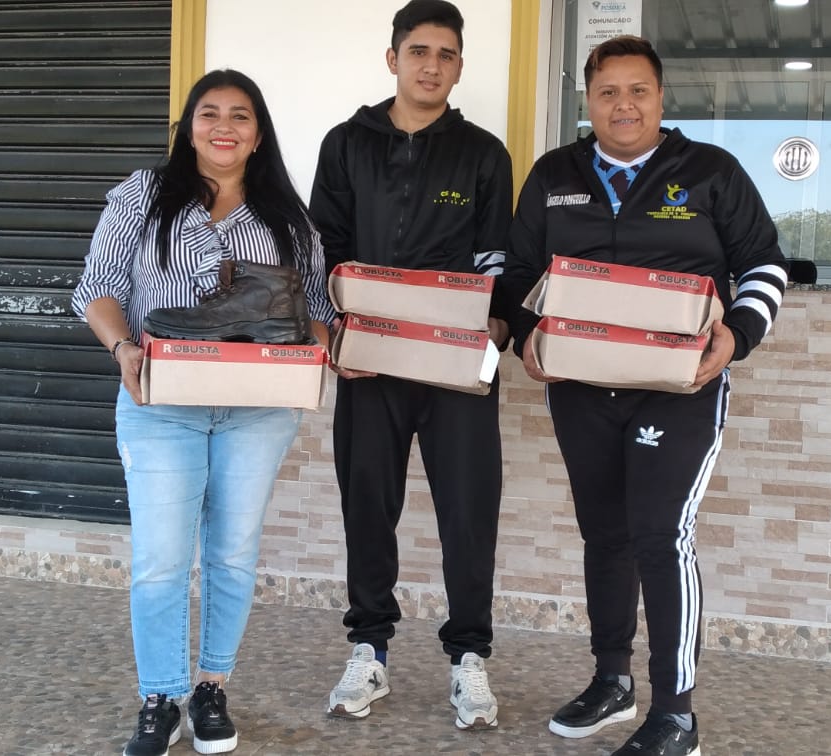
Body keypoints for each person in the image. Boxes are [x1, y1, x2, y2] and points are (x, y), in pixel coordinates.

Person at [500, 35, 789, 756]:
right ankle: (612, 681)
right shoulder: (554, 174)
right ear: (588, 100)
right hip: (582, 388)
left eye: (637, 91)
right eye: (608, 92)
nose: (622, 105)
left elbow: (764, 263)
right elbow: (518, 272)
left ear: (660, 98)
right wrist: (526, 337)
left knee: (661, 535)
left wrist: (737, 336)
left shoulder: (711, 172)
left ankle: (676, 714)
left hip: (679, 388)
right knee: (605, 534)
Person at [72, 68, 336, 756]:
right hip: (160, 403)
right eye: (209, 113)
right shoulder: (143, 196)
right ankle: (160, 697)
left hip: (258, 411)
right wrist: (123, 347)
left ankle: (211, 688)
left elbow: (317, 312)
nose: (224, 126)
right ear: (188, 127)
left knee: (232, 554)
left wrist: (322, 354)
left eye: (240, 115)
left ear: (258, 134)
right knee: (160, 559)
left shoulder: (288, 219)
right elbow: (97, 288)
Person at [308, 0, 514, 731]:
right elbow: (323, 249)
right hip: (370, 366)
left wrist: (493, 332)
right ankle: (369, 650)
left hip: (457, 367)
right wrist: (334, 334)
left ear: (459, 67)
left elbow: (497, 259)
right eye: (419, 51)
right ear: (393, 58)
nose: (432, 65)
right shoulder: (346, 145)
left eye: (446, 54)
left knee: (469, 511)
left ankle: (469, 659)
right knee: (368, 506)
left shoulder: (484, 154)